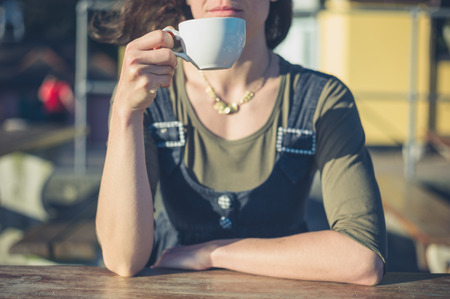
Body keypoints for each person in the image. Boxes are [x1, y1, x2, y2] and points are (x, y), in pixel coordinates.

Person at [91, 0, 387, 285]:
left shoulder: (324, 99)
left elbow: (362, 257)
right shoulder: (149, 97)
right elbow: (123, 259)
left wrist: (214, 252)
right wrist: (125, 113)